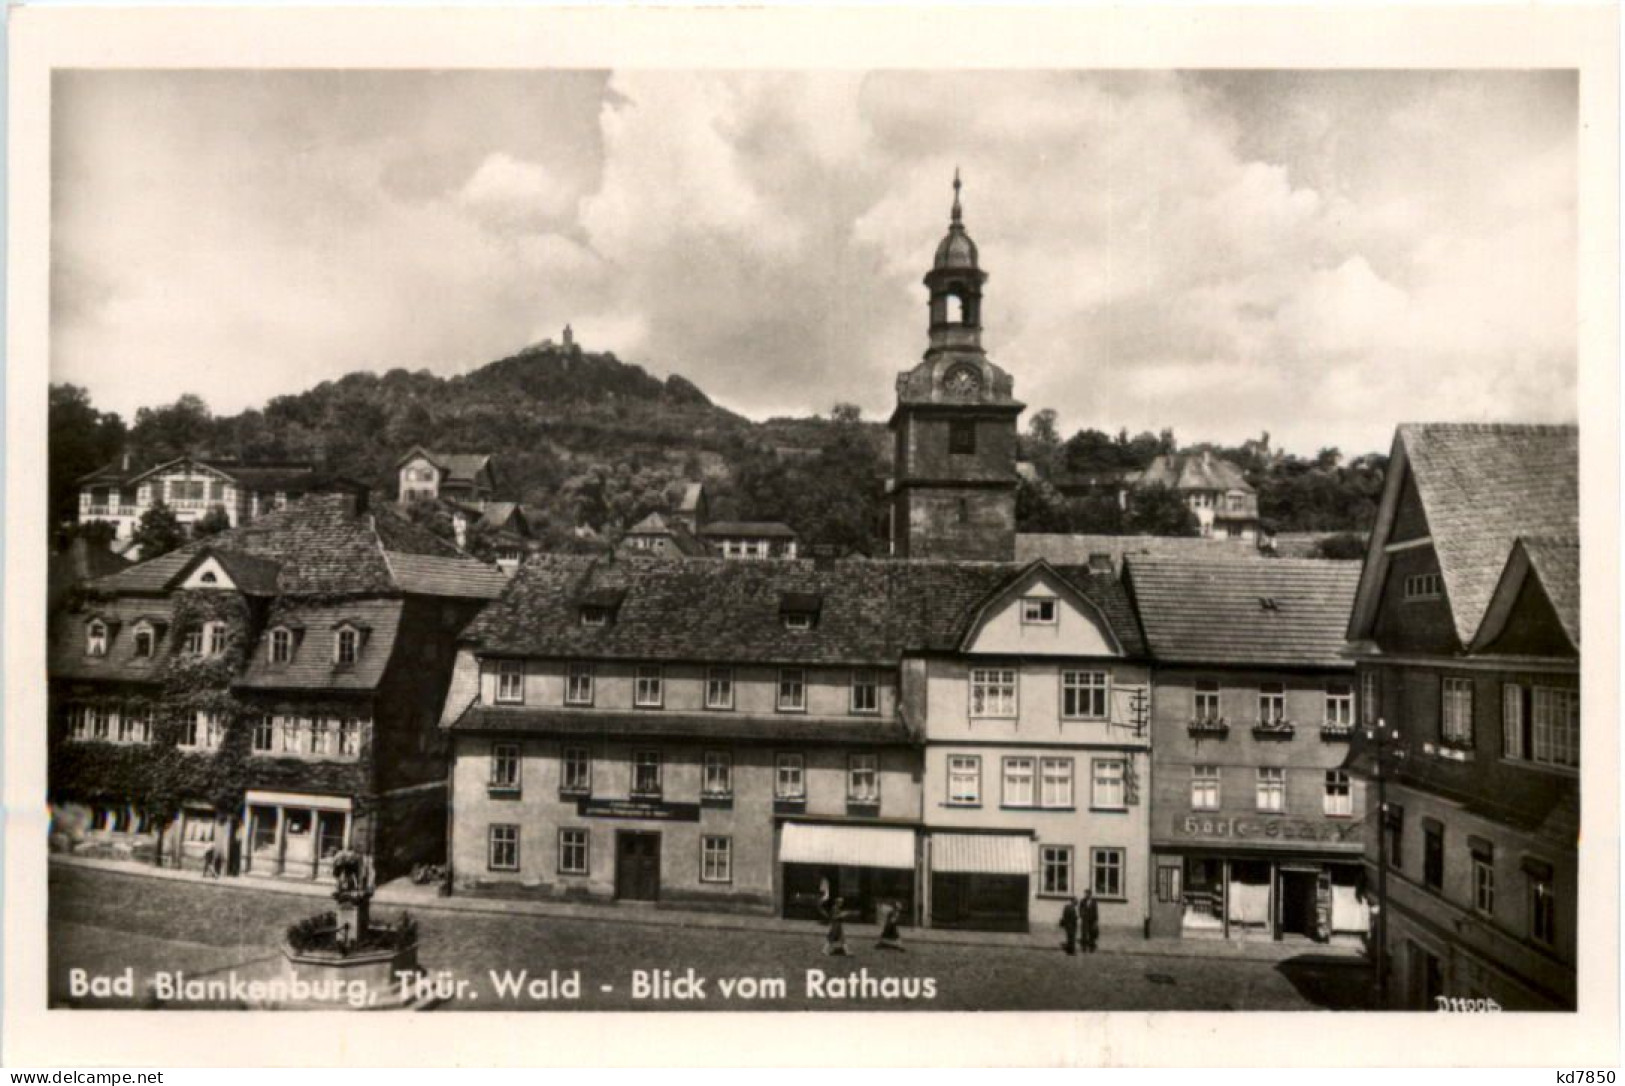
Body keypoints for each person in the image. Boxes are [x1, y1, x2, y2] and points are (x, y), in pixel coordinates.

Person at [1081, 888, 1100, 953]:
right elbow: (1080, 909)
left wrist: (1096, 921)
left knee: (1092, 934)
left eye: (1087, 894)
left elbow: (1096, 911)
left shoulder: (1094, 902)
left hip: (1092, 920)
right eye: (1085, 894)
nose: (1086, 895)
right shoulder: (1082, 901)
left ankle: (1091, 947)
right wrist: (1082, 915)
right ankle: (1084, 947)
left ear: (1090, 894)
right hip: (1085, 920)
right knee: (1084, 934)